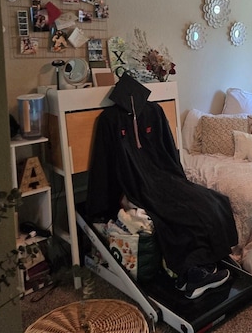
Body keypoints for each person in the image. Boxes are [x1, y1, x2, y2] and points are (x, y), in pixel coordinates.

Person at [85, 73, 237, 299]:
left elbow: (168, 151)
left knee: (215, 201)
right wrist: (101, 209)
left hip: (165, 178)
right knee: (175, 213)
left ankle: (206, 262)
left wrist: (179, 180)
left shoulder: (154, 112)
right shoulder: (110, 120)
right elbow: (103, 165)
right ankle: (191, 273)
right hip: (137, 184)